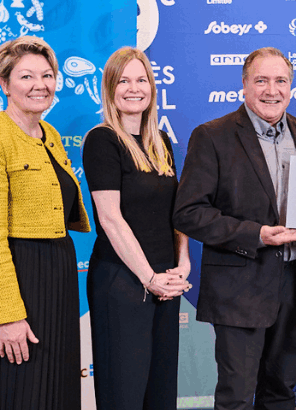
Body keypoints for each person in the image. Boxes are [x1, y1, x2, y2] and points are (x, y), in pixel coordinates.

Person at [173, 47, 296, 410]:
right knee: (236, 396)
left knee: (282, 392)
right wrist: (256, 234)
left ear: (292, 86)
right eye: (262, 81)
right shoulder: (212, 136)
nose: (272, 90)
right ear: (244, 85)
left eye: (281, 81)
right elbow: (188, 212)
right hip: (240, 288)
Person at [0, 36, 91, 409]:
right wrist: (8, 315)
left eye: (48, 75)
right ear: (4, 84)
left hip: (58, 279)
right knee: (21, 395)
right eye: (26, 76)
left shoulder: (50, 136)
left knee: (56, 394)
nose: (41, 85)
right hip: (17, 283)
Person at [82, 46, 191, 410]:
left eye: (141, 79)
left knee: (161, 394)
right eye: (124, 80)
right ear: (110, 88)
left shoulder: (161, 143)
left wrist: (182, 264)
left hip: (163, 282)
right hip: (122, 282)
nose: (134, 88)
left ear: (152, 87)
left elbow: (177, 212)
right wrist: (148, 277)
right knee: (124, 393)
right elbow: (111, 218)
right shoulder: (102, 140)